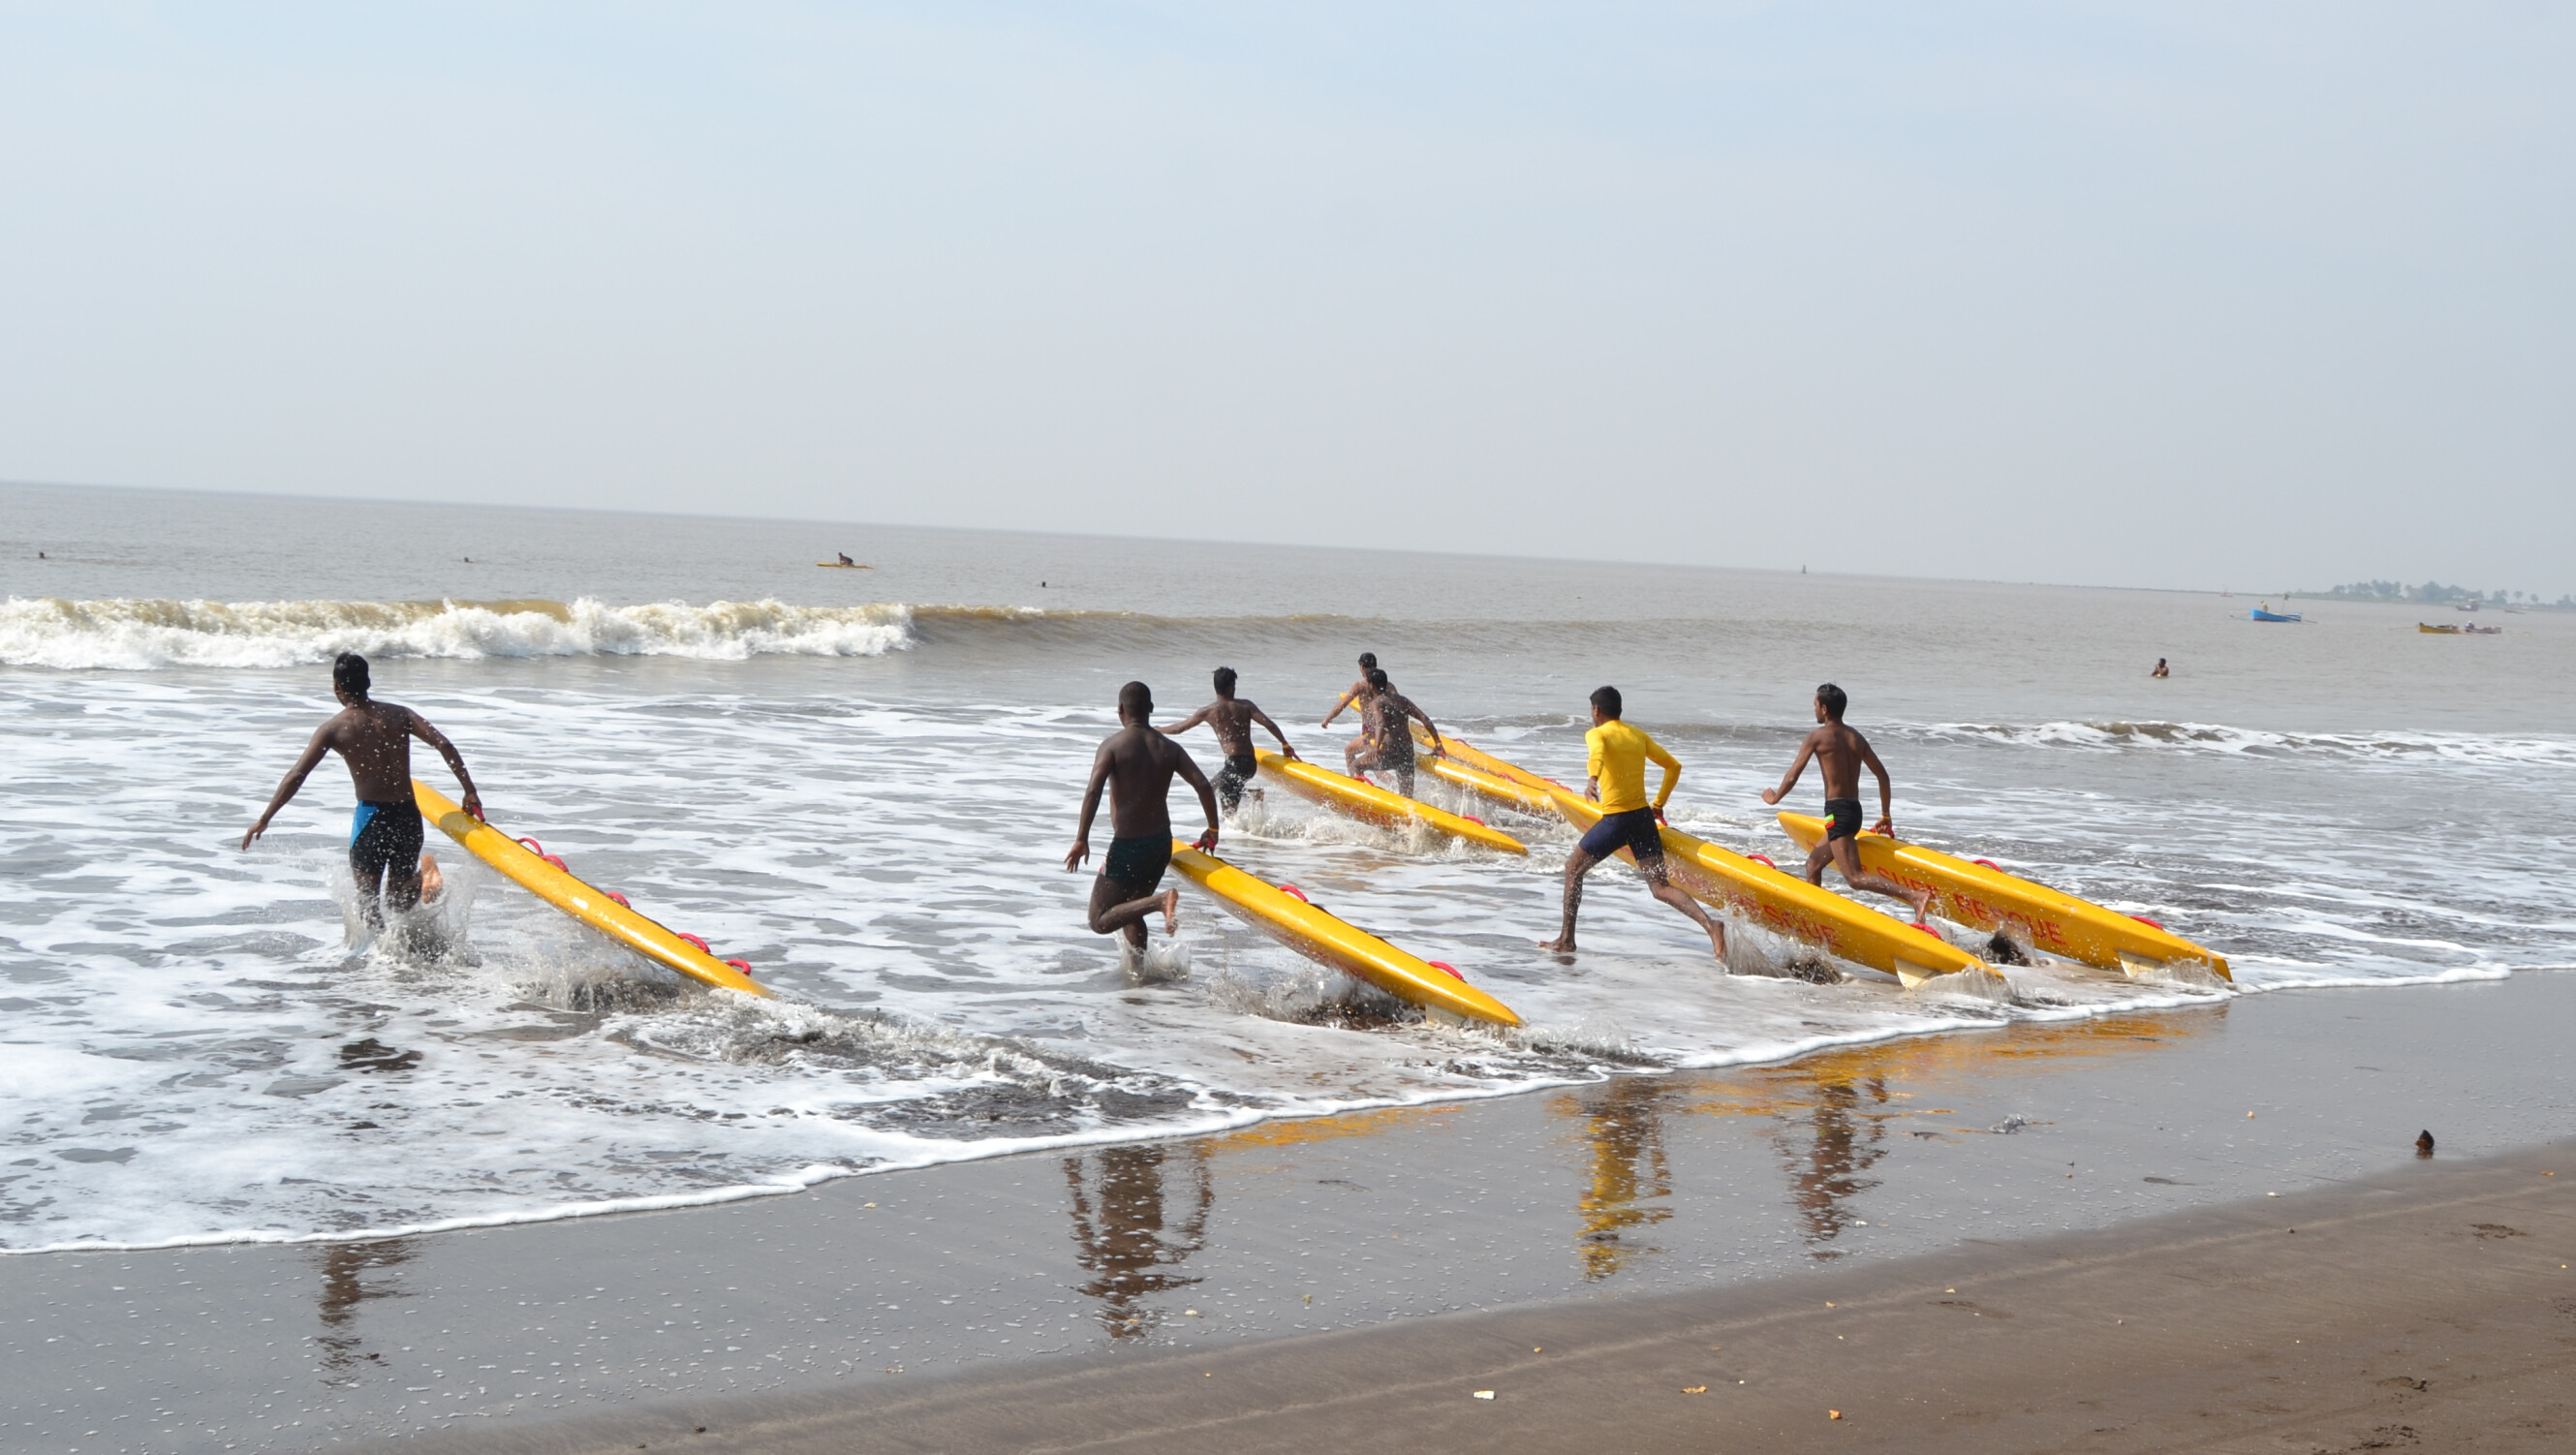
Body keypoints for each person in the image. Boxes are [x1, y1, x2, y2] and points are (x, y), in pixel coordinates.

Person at [241, 653, 483, 930]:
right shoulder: (399, 714)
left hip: (372, 819)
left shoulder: (334, 728)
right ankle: (424, 877)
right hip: (407, 815)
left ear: (337, 688)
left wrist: (266, 817)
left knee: (369, 905)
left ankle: (377, 966)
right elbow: (443, 744)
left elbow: (298, 774)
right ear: (368, 682)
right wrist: (469, 791)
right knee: (397, 900)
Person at [1538, 686, 1725, 962]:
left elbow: (1597, 754)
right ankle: (1712, 926)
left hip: (1618, 820)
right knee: (1660, 887)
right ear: (1620, 711)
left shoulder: (1596, 733)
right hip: (1642, 819)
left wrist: (1592, 779)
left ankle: (1567, 940)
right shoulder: (1637, 735)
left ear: (1596, 711)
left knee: (1573, 869)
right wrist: (1659, 804)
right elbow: (1674, 766)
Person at [1065, 681, 1223, 953]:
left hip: (1129, 848)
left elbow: (1093, 790)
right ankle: (1141, 979)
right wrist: (1212, 829)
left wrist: (1081, 839)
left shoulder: (1113, 746)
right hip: (1161, 844)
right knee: (1131, 909)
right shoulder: (1169, 747)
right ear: (1150, 708)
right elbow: (1204, 786)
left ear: (1120, 710)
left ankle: (1160, 902)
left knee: (1099, 920)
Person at [1759, 683, 1933, 923]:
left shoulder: (1817, 737)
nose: (1814, 709)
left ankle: (1915, 896)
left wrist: (1775, 797)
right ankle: (1815, 920)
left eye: (1815, 705)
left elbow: (1793, 774)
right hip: (1853, 810)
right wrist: (1886, 815)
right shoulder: (1856, 738)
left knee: (1854, 877)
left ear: (1825, 708)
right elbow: (1883, 776)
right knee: (1813, 866)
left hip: (1837, 813)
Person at [1160, 666, 1300, 812]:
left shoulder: (1209, 711)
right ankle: (1254, 794)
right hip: (1249, 764)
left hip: (1235, 764)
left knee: (1228, 813)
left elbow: (1179, 728)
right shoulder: (1246, 705)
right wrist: (1284, 743)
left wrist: (1158, 729)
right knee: (1211, 786)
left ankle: (1246, 810)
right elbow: (1269, 724)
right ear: (1232, 687)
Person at [1346, 668, 1442, 796]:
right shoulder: (1403, 701)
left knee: (1355, 766)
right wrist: (1438, 742)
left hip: (1390, 753)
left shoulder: (1376, 702)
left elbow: (1380, 723)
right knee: (1406, 797)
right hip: (1407, 753)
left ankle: (1359, 801)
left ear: (1371, 685)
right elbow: (1424, 718)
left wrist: (1376, 746)